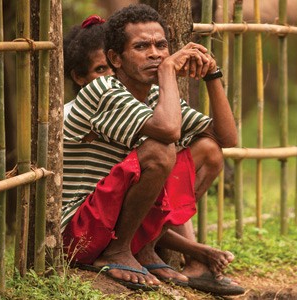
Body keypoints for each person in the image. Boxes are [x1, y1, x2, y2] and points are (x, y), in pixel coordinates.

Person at [61, 6, 244, 295]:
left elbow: (226, 138)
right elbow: (168, 131)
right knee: (160, 150)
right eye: (141, 47)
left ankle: (144, 246)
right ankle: (117, 252)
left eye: (161, 46)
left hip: (109, 221)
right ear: (115, 59)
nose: (155, 54)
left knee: (209, 151)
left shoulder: (156, 96)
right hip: (78, 232)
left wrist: (212, 74)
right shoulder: (101, 91)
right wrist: (169, 69)